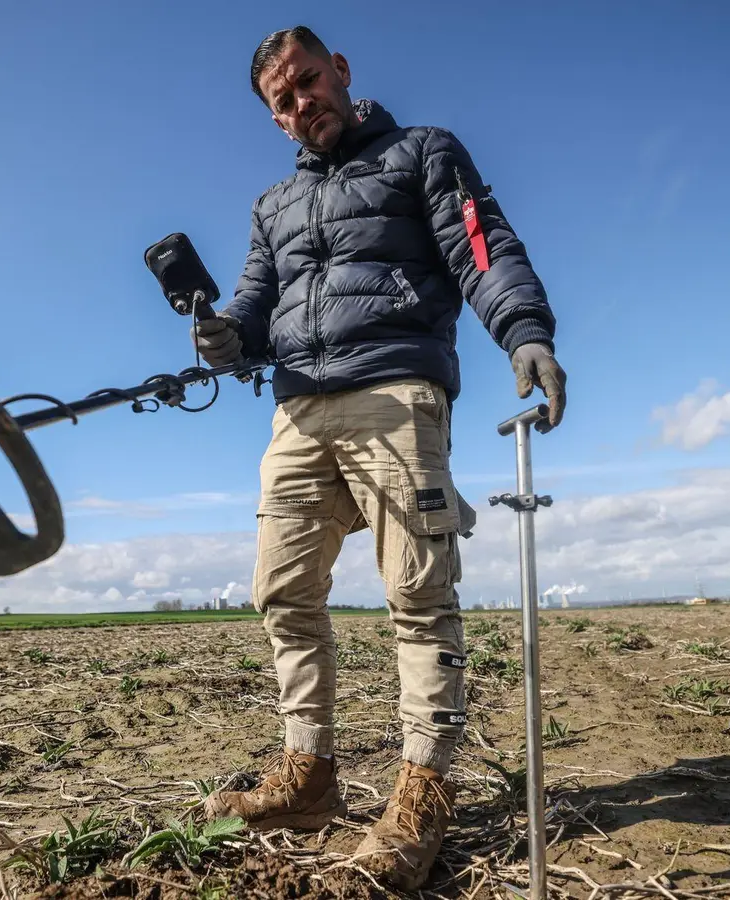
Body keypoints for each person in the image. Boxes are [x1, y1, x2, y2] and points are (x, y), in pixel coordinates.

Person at [193, 25, 566, 890]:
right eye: (282, 101)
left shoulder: (421, 151)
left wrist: (526, 333)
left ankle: (423, 791)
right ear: (274, 118)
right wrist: (222, 338)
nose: (301, 104)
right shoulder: (271, 207)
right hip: (296, 413)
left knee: (417, 591)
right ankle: (307, 774)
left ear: (342, 72)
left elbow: (483, 248)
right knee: (281, 592)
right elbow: (252, 312)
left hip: (396, 392)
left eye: (309, 82)